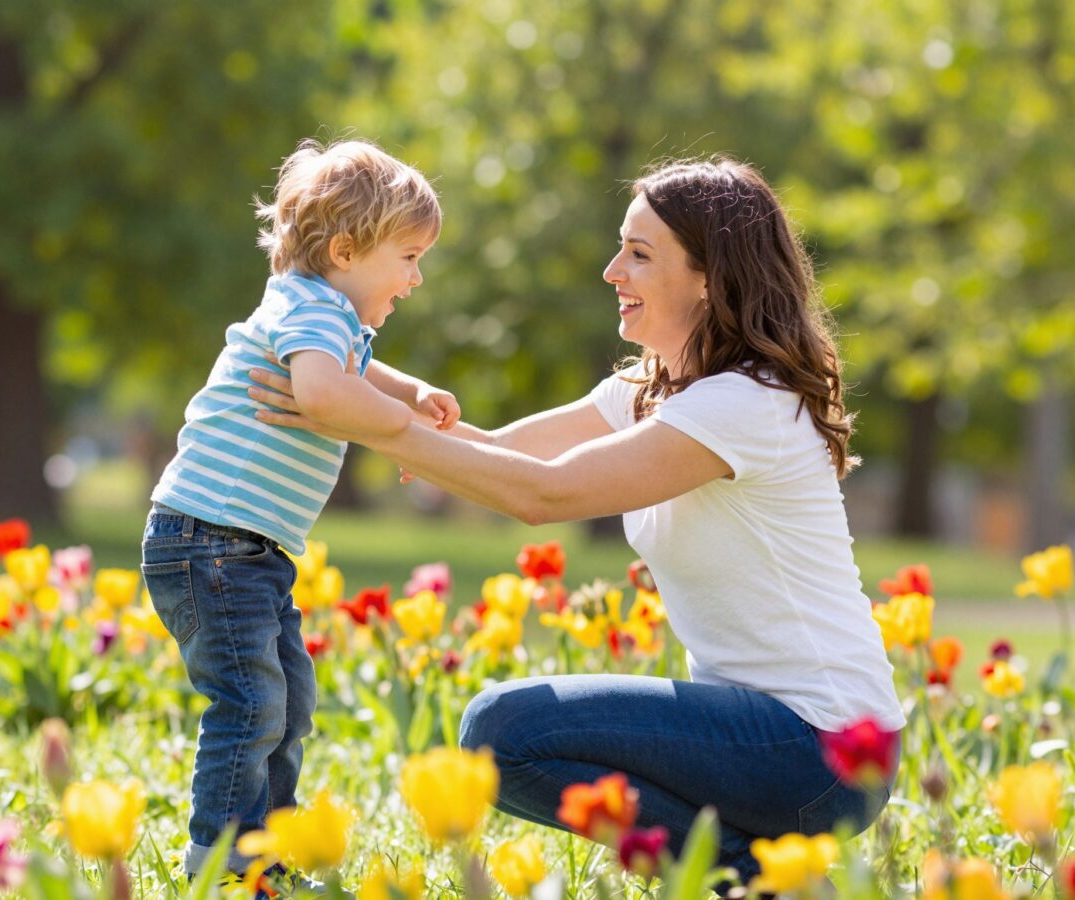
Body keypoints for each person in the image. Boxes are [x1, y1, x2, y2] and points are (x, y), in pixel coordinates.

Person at [247, 157, 905, 887]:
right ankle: (748, 876)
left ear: (710, 278)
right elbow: (498, 452)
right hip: (764, 732)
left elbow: (544, 495)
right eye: (621, 245)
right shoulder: (651, 388)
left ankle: (743, 872)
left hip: (825, 750)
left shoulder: (746, 403)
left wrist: (362, 422)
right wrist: (356, 391)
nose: (611, 269)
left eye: (640, 254)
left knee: (502, 732)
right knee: (498, 736)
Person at [141, 138, 458, 885]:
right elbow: (323, 393)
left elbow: (355, 365)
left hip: (241, 548)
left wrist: (406, 392)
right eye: (409, 258)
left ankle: (265, 856)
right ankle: (221, 863)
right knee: (253, 703)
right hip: (212, 541)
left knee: (285, 702)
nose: (416, 279)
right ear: (346, 251)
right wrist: (402, 429)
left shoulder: (320, 312)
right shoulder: (306, 308)